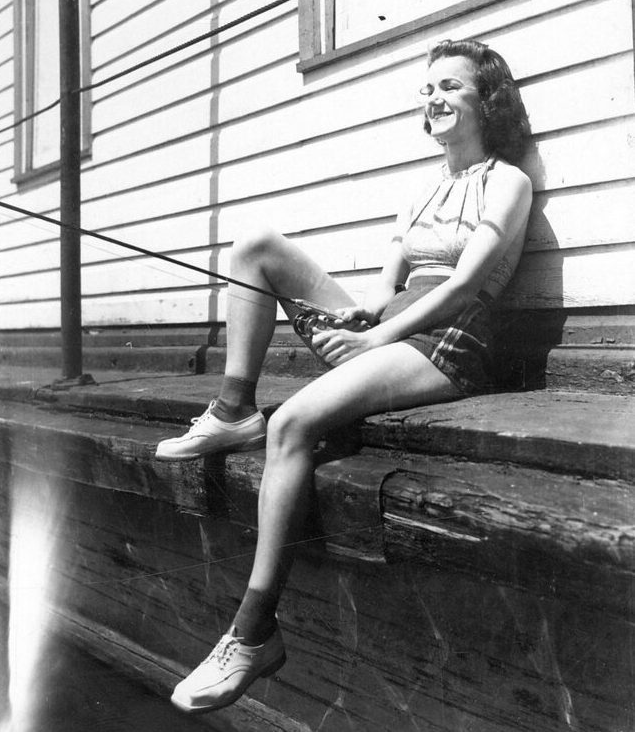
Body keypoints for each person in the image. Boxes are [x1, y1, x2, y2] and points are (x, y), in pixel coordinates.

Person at [157, 38, 533, 714]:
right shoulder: (422, 189)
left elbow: (469, 281)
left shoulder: (508, 179)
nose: (435, 99)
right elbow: (388, 285)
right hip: (393, 327)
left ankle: (253, 633)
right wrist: (358, 319)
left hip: (450, 341)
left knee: (295, 421)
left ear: (488, 98)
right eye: (427, 90)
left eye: (451, 86)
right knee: (255, 248)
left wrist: (375, 339)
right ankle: (232, 406)